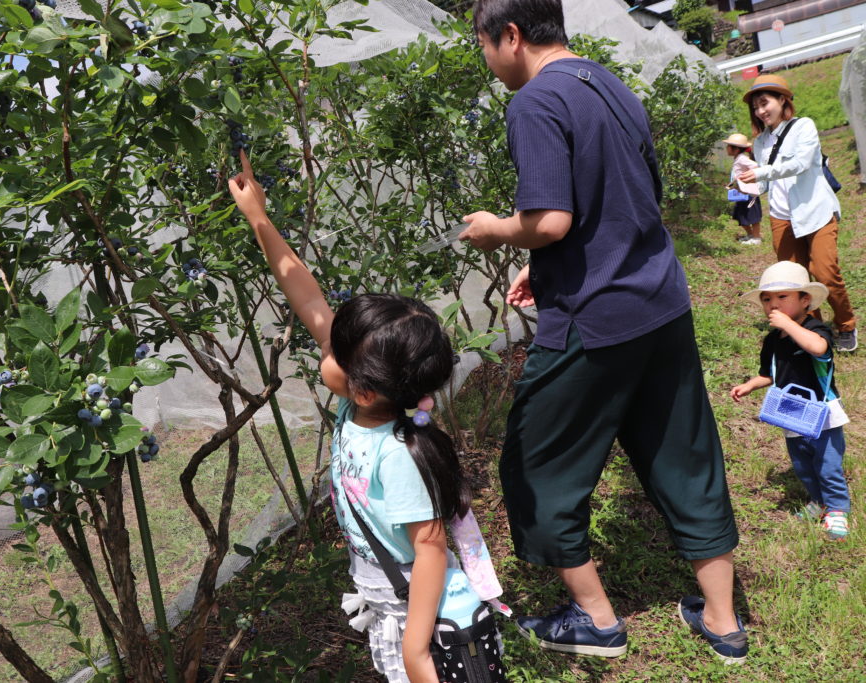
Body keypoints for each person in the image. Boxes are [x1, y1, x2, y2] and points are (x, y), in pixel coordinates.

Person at [458, 0, 747, 664]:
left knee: (536, 458)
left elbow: (552, 216)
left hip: (594, 317)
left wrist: (496, 229)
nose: (487, 60)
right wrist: (543, 263)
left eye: (483, 45)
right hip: (660, 299)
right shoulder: (605, 81)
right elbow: (628, 192)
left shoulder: (533, 102)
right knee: (684, 452)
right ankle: (724, 620)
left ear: (510, 35)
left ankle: (596, 618)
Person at [227, 151, 505, 682]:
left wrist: (417, 650)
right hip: (387, 599)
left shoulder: (396, 453)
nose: (324, 345)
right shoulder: (369, 402)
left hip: (415, 617)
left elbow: (429, 550)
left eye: (334, 349)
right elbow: (305, 295)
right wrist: (258, 217)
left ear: (361, 387)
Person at [729, 261, 851, 541]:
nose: (773, 304)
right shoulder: (772, 340)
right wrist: (750, 385)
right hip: (790, 411)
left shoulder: (815, 328)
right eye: (767, 299)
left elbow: (818, 348)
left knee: (827, 463)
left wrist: (788, 325)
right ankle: (818, 501)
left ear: (805, 300)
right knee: (803, 463)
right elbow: (768, 374)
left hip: (822, 412)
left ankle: (837, 509)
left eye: (783, 297)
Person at [737, 74, 858, 352]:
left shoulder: (804, 127)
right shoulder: (760, 142)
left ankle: (846, 324)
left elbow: (801, 164)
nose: (760, 111)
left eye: (764, 103)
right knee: (794, 281)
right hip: (781, 217)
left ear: (782, 100)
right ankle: (813, 330)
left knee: (824, 273)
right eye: (755, 107)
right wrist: (748, 183)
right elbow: (766, 183)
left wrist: (762, 171)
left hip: (814, 211)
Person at [723, 133, 763, 245]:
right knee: (741, 214)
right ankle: (750, 235)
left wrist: (749, 177)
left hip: (749, 192)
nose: (726, 148)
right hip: (742, 192)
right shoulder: (738, 158)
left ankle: (756, 238)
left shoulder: (742, 159)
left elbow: (756, 167)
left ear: (735, 149)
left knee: (752, 215)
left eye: (729, 146)